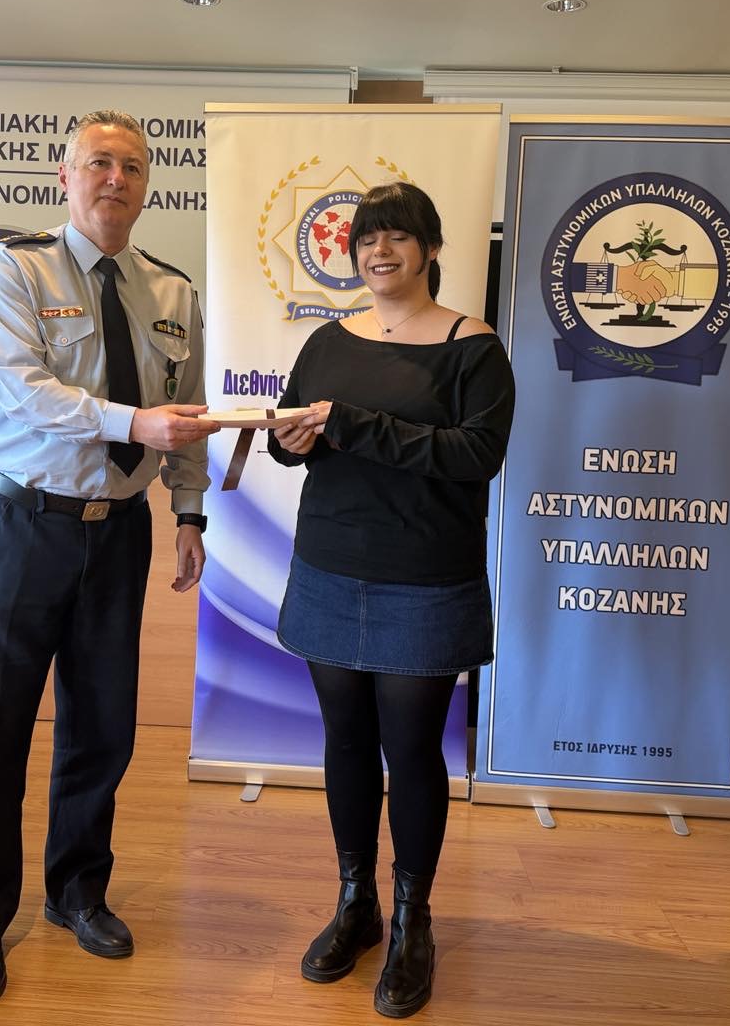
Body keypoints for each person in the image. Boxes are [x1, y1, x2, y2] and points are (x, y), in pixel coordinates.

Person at [0, 109, 218, 1006]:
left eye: (132, 167)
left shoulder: (174, 292)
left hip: (120, 531)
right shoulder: (15, 270)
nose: (115, 179)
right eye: (98, 163)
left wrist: (188, 512)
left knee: (102, 725)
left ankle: (77, 893)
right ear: (65, 178)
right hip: (21, 525)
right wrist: (133, 423)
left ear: (147, 188)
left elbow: (186, 411)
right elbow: (22, 390)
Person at [269, 182, 515, 1019]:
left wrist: (354, 424)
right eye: (368, 238)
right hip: (330, 563)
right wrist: (290, 440)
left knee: (410, 749)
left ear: (431, 249)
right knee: (344, 740)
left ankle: (414, 920)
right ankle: (357, 903)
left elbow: (477, 455)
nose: (381, 251)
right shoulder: (327, 340)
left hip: (425, 574)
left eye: (399, 237)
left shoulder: (472, 345)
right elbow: (297, 442)